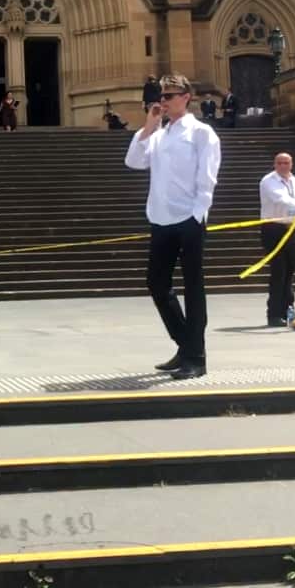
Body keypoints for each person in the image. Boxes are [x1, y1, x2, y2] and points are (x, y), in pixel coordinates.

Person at [125, 74, 221, 380]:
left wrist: (198, 215)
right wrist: (149, 124)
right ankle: (185, 344)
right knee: (156, 283)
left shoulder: (201, 133)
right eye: (160, 96)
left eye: (169, 95)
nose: (162, 101)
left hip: (188, 219)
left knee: (194, 287)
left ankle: (197, 357)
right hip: (161, 218)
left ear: (186, 97)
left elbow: (207, 178)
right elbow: (133, 161)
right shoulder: (159, 135)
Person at [258, 153, 295, 326]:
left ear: (291, 164)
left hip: (293, 229)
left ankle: (288, 309)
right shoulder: (268, 181)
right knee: (278, 270)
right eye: (279, 163)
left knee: (290, 270)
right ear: (274, 164)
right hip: (273, 228)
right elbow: (281, 198)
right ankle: (274, 314)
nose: (283, 166)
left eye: (286, 163)